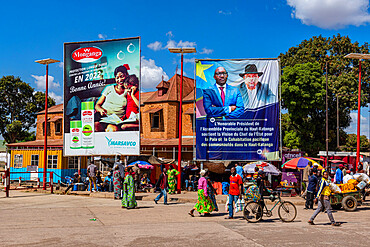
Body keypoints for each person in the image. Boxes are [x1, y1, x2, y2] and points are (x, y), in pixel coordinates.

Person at [94, 65, 130, 132]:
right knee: (96, 126)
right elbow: (97, 104)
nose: (119, 80)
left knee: (112, 129)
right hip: (103, 117)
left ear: (127, 75)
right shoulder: (109, 88)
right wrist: (101, 110)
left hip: (117, 120)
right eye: (117, 77)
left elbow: (130, 109)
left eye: (122, 76)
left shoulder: (129, 91)